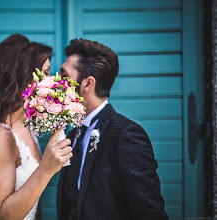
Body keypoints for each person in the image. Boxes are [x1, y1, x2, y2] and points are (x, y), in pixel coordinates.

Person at [0, 34, 73, 220]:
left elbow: (32, 201)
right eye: (47, 72)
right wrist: (46, 168)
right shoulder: (0, 136)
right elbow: (0, 216)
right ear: (24, 78)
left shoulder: (26, 127)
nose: (52, 82)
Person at [57, 39, 169, 220]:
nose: (57, 83)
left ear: (87, 84)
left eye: (64, 77)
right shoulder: (72, 134)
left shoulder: (126, 134)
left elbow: (150, 212)